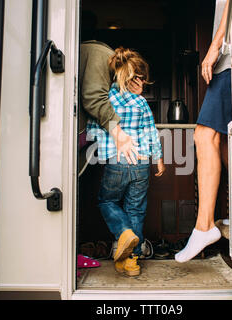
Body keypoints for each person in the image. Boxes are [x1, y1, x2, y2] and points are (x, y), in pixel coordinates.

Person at [87, 47, 165, 276]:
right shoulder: (141, 103)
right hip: (141, 164)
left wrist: (97, 152)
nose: (143, 84)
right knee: (136, 210)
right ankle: (131, 262)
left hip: (118, 161)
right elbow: (151, 131)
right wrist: (158, 159)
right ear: (134, 78)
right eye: (141, 79)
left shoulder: (107, 99)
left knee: (107, 201)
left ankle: (123, 233)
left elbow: (95, 129)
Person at [175, 0, 232, 263]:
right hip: (230, 60)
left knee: (204, 135)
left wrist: (215, 45)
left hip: (230, 59)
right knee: (223, 142)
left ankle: (204, 226)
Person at [79, 11, 143, 176]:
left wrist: (136, 96)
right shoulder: (100, 55)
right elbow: (94, 98)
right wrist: (119, 134)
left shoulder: (106, 62)